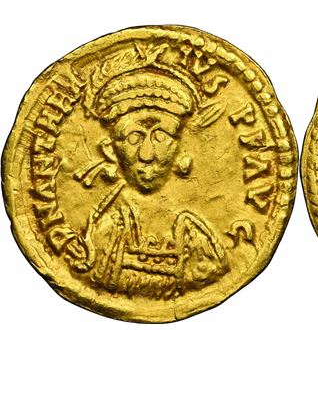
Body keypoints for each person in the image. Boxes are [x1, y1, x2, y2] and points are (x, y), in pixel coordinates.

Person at [70, 66, 228, 299]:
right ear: (110, 150)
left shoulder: (195, 237)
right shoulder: (102, 234)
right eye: (133, 137)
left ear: (180, 148)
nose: (147, 154)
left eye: (160, 136)